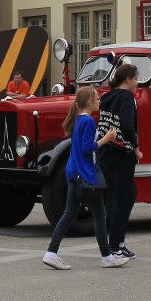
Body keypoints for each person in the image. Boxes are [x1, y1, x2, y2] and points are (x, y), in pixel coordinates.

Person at [43, 85, 127, 269]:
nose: (99, 101)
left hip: (74, 171)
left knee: (69, 214)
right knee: (99, 215)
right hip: (85, 174)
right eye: (97, 98)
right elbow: (87, 148)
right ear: (89, 102)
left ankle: (51, 252)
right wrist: (107, 138)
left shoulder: (78, 119)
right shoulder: (88, 121)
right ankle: (106, 257)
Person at [99, 62, 141, 260]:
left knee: (128, 194)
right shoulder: (126, 98)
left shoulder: (108, 97)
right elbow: (126, 125)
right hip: (121, 153)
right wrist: (136, 148)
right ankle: (115, 245)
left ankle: (119, 242)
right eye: (136, 79)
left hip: (106, 152)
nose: (137, 83)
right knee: (121, 198)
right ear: (128, 79)